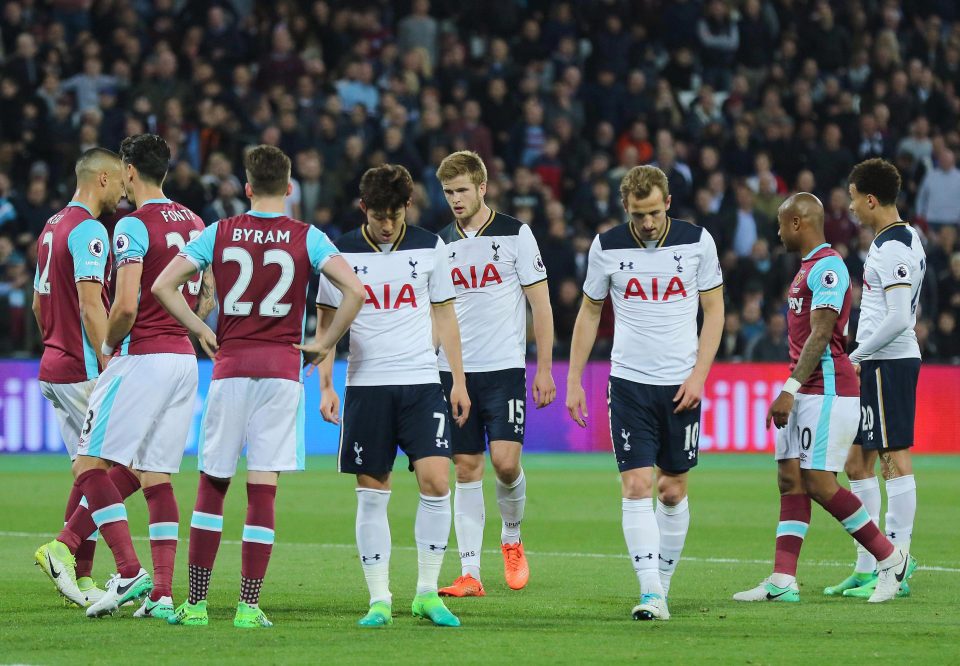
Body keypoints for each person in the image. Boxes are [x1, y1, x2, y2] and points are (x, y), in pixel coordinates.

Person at [154, 145, 364, 628]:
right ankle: (248, 607)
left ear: (247, 188)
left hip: (229, 370)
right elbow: (355, 291)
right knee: (262, 489)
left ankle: (198, 605)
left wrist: (199, 328)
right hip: (282, 373)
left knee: (213, 484)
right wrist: (324, 341)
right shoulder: (308, 237)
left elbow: (166, 285)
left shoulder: (219, 232)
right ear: (289, 189)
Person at [49, 134, 212, 620]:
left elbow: (123, 304)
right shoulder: (195, 221)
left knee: (88, 465)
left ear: (130, 171)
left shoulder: (132, 226)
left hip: (142, 357)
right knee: (155, 475)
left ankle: (126, 568)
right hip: (185, 362)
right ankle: (162, 595)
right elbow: (207, 297)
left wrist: (106, 344)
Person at [733, 192, 915, 605]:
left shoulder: (829, 267)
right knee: (790, 479)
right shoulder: (806, 270)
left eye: (781, 223)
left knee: (818, 481)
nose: (777, 232)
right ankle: (783, 580)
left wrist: (789, 389)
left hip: (827, 389)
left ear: (798, 223)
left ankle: (891, 558)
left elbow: (822, 332)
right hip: (805, 390)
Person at [314, 164, 470, 628]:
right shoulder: (339, 252)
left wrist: (457, 380)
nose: (387, 223)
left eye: (395, 213)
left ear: (407, 207)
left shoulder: (430, 247)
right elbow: (325, 326)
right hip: (366, 385)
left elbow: (445, 316)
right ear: (364, 208)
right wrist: (325, 384)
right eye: (379, 214)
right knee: (372, 494)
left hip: (422, 383)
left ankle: (426, 591)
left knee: (437, 481)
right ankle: (379, 597)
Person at [566, 165, 725, 621]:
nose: (648, 223)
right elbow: (590, 314)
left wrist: (699, 376)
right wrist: (575, 378)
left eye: (654, 213)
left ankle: (663, 587)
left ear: (668, 203)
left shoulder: (698, 242)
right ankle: (651, 591)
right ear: (626, 208)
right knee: (636, 485)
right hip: (629, 383)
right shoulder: (607, 246)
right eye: (639, 215)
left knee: (672, 491)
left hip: (681, 385)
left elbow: (714, 313)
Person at [432, 150, 556, 598]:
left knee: (505, 465)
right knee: (465, 468)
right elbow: (437, 315)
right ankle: (470, 574)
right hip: (455, 372)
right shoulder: (440, 243)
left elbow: (540, 303)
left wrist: (543, 367)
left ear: (482, 187)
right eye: (448, 192)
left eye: (462, 190)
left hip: (503, 369)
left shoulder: (515, 234)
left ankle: (511, 537)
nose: (455, 199)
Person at [823, 158, 925, 598]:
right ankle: (868, 563)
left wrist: (856, 353)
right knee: (857, 462)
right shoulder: (902, 238)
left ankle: (896, 563)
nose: (850, 208)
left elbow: (901, 317)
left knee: (893, 461)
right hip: (878, 363)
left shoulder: (893, 248)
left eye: (852, 198)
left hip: (889, 362)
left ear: (869, 198)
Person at [32, 148, 124, 608]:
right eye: (120, 185)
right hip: (82, 367)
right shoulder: (90, 230)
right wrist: (107, 357)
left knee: (89, 470)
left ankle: (80, 573)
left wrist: (54, 341)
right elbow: (92, 305)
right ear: (102, 179)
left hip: (53, 363)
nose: (124, 195)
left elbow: (37, 303)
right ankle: (95, 560)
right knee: (119, 466)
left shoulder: (51, 226)